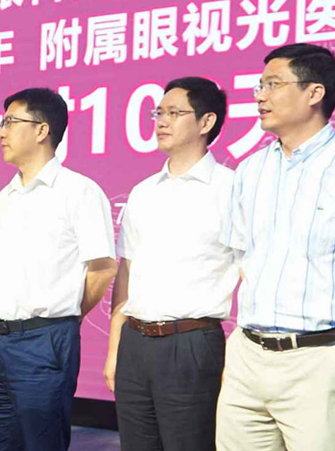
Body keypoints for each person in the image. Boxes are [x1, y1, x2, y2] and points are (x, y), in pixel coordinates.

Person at [217, 43, 335, 451]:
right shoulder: (249, 170)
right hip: (247, 354)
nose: (260, 96)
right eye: (259, 86)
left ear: (315, 92)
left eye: (273, 84)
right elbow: (245, 257)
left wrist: (334, 318)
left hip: (319, 357)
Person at [0, 87, 117, 451]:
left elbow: (102, 269)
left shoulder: (78, 191)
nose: (1, 132)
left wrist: (68, 316)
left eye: (10, 122)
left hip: (44, 341)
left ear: (42, 130)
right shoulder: (4, 196)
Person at [106, 78, 235, 451]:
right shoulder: (144, 191)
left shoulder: (230, 189)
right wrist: (115, 349)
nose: (161, 121)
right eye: (158, 112)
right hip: (134, 342)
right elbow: (126, 271)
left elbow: (251, 272)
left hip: (192, 342)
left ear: (206, 122)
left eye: (174, 113)